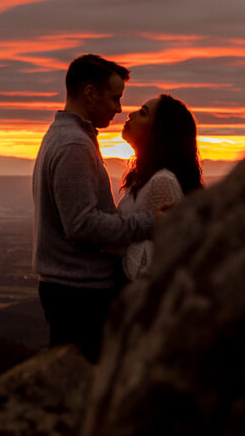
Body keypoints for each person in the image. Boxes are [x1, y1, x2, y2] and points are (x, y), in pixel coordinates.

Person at [32, 54, 160, 362]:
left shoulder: (64, 137)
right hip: (80, 293)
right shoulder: (74, 145)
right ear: (90, 93)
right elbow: (81, 225)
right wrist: (150, 222)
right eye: (115, 98)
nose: (118, 108)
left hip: (69, 288)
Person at [118, 94, 204, 280]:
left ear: (159, 130)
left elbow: (170, 250)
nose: (130, 114)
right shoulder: (142, 179)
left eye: (143, 113)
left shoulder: (162, 181)